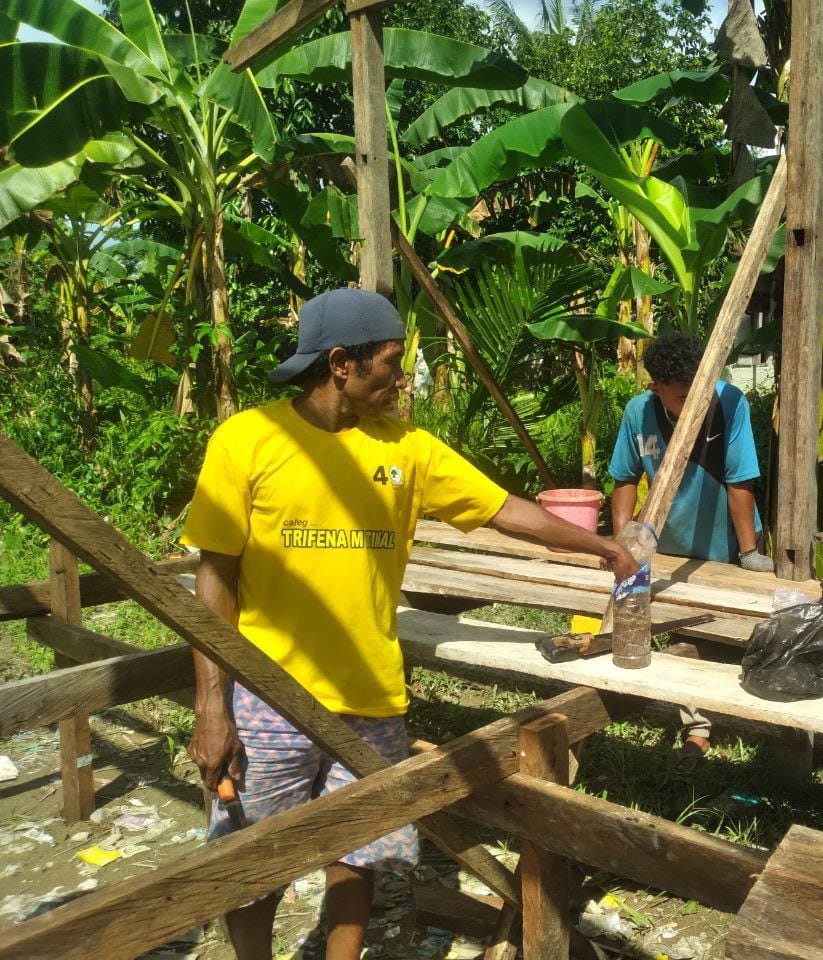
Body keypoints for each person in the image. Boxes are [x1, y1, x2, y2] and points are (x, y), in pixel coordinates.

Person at [181, 288, 638, 960]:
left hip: (370, 697)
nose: (401, 379)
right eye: (391, 364)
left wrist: (604, 548)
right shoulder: (248, 441)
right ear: (341, 363)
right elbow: (214, 577)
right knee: (252, 864)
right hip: (267, 698)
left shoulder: (410, 450)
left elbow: (503, 508)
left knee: (360, 849)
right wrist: (210, 704)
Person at [608, 332, 770, 770]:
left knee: (732, 632)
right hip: (672, 550)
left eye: (699, 389)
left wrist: (748, 553)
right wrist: (623, 545)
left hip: (729, 543)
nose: (694, 402)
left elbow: (740, 481)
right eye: (682, 396)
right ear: (655, 388)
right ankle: (697, 725)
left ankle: (737, 719)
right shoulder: (637, 414)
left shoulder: (731, 402)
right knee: (683, 632)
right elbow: (623, 479)